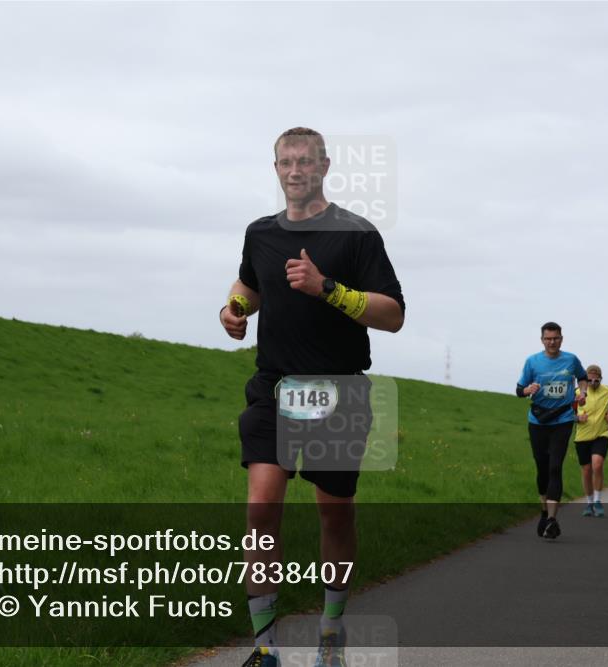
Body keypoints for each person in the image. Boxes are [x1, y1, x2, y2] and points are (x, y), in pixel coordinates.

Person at [221, 128, 405, 667]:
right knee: (261, 509)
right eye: (285, 162)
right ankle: (265, 647)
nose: (295, 170)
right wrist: (234, 310)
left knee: (335, 516)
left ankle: (331, 631)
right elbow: (249, 285)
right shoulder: (260, 233)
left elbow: (392, 314)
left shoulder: (356, 234)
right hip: (273, 388)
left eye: (305, 161)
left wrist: (327, 287)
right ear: (275, 168)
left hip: (339, 391)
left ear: (324, 166)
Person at [516, 322, 588, 540]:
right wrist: (528, 389)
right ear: (542, 340)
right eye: (548, 339)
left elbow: (583, 377)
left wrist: (582, 391)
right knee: (543, 469)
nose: (552, 342)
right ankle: (544, 511)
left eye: (555, 338)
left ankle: (552, 519)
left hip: (563, 419)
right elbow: (519, 390)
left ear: (561, 339)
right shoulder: (532, 362)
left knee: (555, 467)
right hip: (538, 420)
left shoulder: (571, 359)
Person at [573, 365, 608, 517]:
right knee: (586, 471)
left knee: (597, 464)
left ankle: (598, 500)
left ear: (601, 378)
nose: (593, 383)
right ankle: (589, 503)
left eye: (596, 380)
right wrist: (577, 418)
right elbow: (566, 413)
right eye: (589, 380)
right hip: (582, 436)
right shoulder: (576, 393)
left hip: (601, 433)